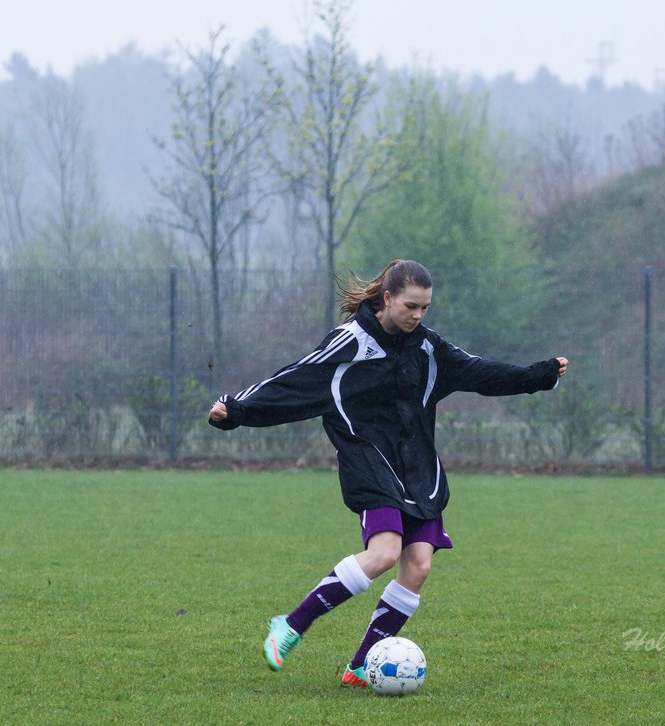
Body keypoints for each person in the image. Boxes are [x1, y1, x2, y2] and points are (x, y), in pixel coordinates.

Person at [208, 259, 568, 687]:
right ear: (387, 298)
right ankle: (290, 625)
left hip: (417, 466)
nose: (418, 316)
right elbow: (294, 380)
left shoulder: (429, 348)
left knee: (418, 567)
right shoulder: (349, 344)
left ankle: (360, 667)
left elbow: (481, 372)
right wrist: (235, 410)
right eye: (411, 306)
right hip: (369, 461)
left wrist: (538, 376)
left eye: (425, 309)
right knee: (382, 554)